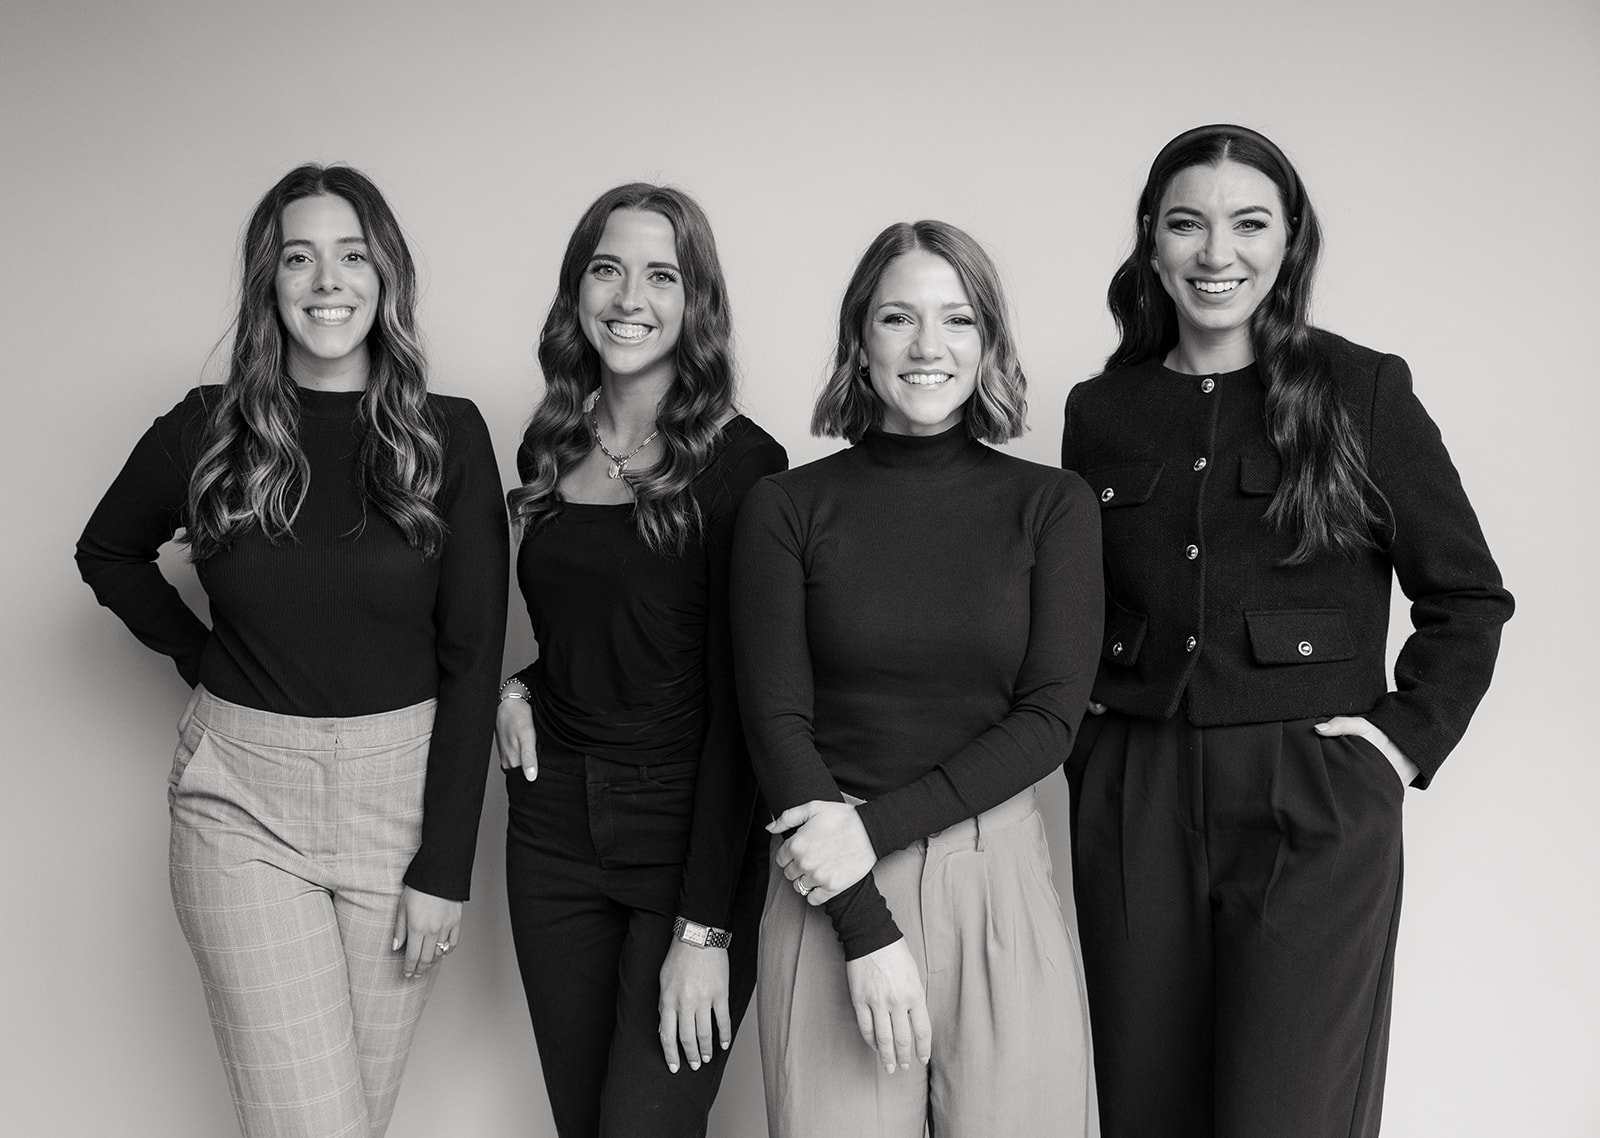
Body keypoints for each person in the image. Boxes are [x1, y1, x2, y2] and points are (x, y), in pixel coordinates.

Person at [1060, 124, 1514, 1138]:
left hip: (1310, 787)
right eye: (1188, 224)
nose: (1217, 253)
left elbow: (1467, 596)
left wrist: (1397, 747)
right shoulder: (1101, 409)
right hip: (1135, 787)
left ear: (1290, 238)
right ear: (1151, 238)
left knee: (1290, 1113)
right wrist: (1092, 752)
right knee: (1145, 1110)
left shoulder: (1361, 390)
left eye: (1249, 223)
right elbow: (1080, 603)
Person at [75, 164, 508, 1137]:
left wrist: (445, 865)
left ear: (385, 275)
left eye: (352, 255)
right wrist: (203, 660)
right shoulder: (208, 427)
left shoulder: (449, 436)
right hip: (242, 806)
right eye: (299, 258)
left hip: (401, 808)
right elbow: (107, 551)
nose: (327, 281)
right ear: (268, 282)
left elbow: (473, 657)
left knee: (355, 1120)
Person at [732, 220, 1102, 1138]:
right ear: (861, 339)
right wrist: (863, 920)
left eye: (958, 319)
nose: (929, 346)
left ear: (989, 341)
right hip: (829, 898)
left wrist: (867, 835)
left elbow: (1051, 720)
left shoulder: (1051, 505)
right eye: (899, 318)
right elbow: (775, 724)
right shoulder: (786, 507)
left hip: (997, 886)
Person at [497, 183, 786, 1138]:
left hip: (686, 835)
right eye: (607, 269)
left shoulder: (745, 467)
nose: (629, 298)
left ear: (696, 301)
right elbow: (591, 631)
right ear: (576, 289)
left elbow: (746, 707)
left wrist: (705, 928)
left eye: (661, 275)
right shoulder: (550, 447)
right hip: (551, 834)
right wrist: (515, 687)